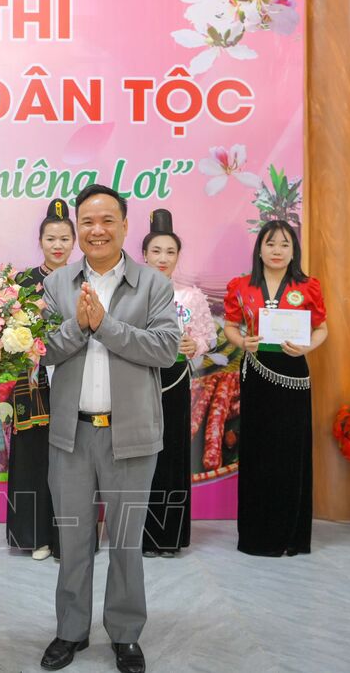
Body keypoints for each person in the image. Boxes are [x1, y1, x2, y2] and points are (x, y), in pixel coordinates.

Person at [39, 185, 179, 673]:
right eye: (88, 221)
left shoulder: (153, 284)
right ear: (77, 227)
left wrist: (105, 326)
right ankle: (70, 631)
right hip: (71, 435)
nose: (96, 230)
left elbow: (166, 348)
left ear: (124, 225)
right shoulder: (58, 284)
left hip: (132, 435)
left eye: (107, 220)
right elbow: (40, 349)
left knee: (126, 541)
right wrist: (78, 327)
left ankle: (125, 634)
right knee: (73, 540)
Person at [223, 220, 328, 557]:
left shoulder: (308, 286)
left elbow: (322, 328)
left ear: (294, 251)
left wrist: (307, 347)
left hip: (293, 373)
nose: (277, 251)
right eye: (270, 244)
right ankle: (257, 535)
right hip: (256, 372)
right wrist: (243, 342)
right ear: (260, 249)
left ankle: (291, 535)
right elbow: (230, 326)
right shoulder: (241, 286)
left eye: (285, 244)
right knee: (257, 450)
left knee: (291, 450)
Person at [140, 209, 216, 557]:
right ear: (144, 254)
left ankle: (170, 537)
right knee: (141, 457)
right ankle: (142, 536)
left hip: (175, 380)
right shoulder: (131, 294)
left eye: (170, 251)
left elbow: (208, 337)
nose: (163, 258)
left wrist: (193, 345)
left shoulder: (190, 296)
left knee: (172, 454)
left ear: (178, 256)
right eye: (156, 250)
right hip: (139, 381)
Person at [6, 198, 74, 561]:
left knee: (72, 459)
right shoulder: (23, 283)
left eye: (64, 238)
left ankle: (69, 539)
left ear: (74, 242)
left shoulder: (84, 279)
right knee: (34, 455)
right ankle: (35, 536)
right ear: (40, 242)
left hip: (73, 378)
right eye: (51, 239)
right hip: (33, 381)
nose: (58, 245)